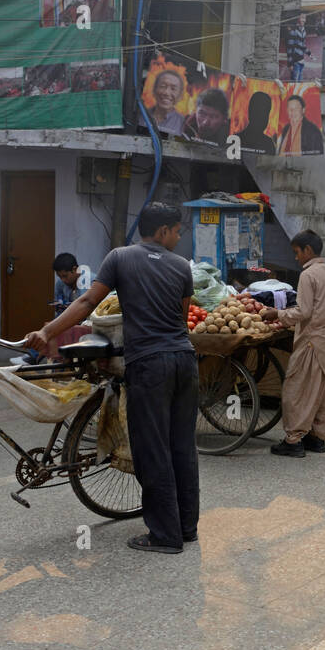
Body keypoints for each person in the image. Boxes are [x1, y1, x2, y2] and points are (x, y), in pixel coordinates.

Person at [25, 202, 200, 555]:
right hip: (184, 361)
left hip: (149, 365)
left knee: (152, 450)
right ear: (162, 230)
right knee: (182, 446)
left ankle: (165, 536)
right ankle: (186, 526)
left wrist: (48, 331)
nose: (179, 237)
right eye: (177, 231)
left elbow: (88, 302)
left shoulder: (119, 258)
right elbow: (181, 321)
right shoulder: (182, 267)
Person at [260, 230, 325, 457]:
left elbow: (304, 311)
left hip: (313, 341)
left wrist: (278, 314)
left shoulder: (308, 275)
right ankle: (317, 438)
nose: (295, 257)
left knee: (297, 391)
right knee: (324, 394)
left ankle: (293, 441)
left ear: (308, 251)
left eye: (296, 252)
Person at [150, 70, 186, 136]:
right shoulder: (141, 114)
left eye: (173, 89)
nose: (166, 92)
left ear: (180, 95)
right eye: (162, 86)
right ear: (154, 90)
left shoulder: (183, 124)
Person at [286, 14, 308, 83]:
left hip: (301, 61)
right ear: (298, 18)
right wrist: (290, 64)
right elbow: (289, 48)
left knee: (299, 83)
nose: (303, 20)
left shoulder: (304, 31)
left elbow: (303, 45)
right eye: (302, 18)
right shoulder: (293, 31)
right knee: (294, 83)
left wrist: (309, 53)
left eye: (304, 18)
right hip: (295, 62)